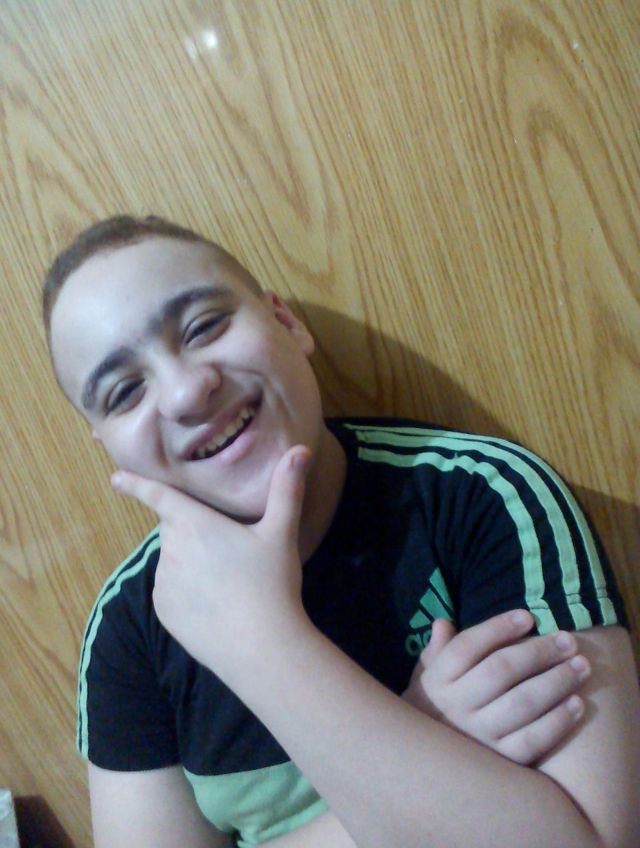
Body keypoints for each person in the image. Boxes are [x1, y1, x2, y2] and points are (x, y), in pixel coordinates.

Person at [44, 215, 639, 848]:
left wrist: (263, 642)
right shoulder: (129, 625)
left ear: (286, 322)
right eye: (124, 392)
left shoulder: (481, 495)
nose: (188, 392)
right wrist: (424, 743)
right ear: (108, 446)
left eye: (203, 327)